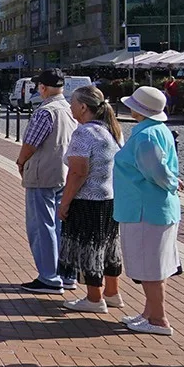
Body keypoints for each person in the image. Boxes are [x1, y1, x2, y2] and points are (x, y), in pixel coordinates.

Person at [115, 85, 182, 336]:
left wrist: (173, 182)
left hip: (144, 209)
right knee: (154, 265)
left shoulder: (145, 135)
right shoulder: (156, 130)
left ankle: (159, 319)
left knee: (150, 268)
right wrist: (173, 181)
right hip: (152, 207)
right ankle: (150, 313)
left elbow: (155, 171)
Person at [58, 86, 124, 313]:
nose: (70, 106)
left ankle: (94, 298)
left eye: (73, 102)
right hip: (109, 197)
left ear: (84, 107)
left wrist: (65, 202)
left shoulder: (84, 133)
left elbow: (78, 172)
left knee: (89, 248)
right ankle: (112, 292)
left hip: (88, 199)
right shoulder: (111, 130)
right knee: (108, 247)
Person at [16, 69, 78, 294]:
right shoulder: (69, 108)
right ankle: (66, 273)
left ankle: (49, 276)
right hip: (64, 171)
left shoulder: (46, 111)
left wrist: (21, 161)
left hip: (43, 173)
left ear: (42, 87)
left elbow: (31, 143)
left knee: (41, 226)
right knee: (61, 225)